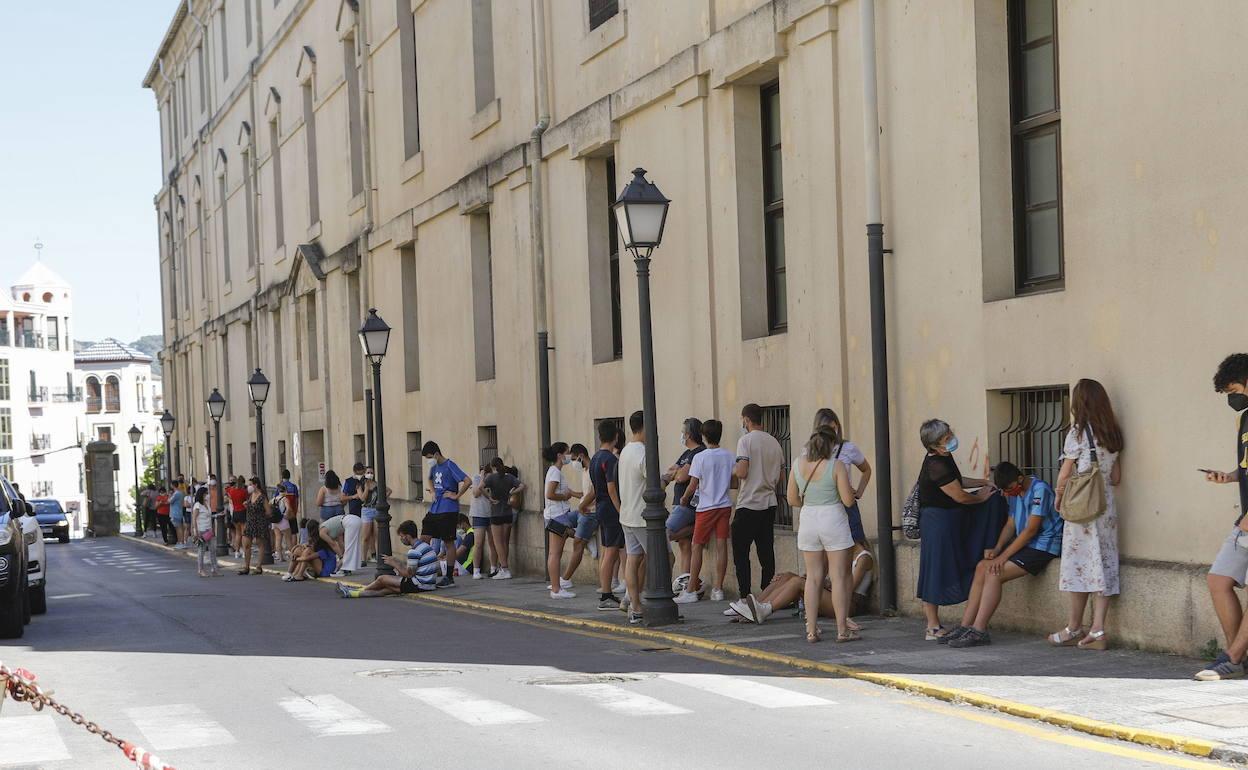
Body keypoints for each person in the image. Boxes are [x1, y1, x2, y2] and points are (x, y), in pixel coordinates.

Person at [941, 461, 1063, 648]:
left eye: (1009, 489)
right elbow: (1010, 524)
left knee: (994, 572)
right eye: (1004, 491)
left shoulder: (1040, 490)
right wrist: (997, 548)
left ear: (1020, 479)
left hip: (1044, 546)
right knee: (983, 566)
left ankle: (979, 630)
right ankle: (966, 626)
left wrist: (1002, 557)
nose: (1007, 494)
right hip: (1028, 544)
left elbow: (1031, 530)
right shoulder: (1013, 491)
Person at [1047, 379, 1124, 652]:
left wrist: (1058, 496)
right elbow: (1115, 477)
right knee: (1102, 566)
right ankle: (1098, 630)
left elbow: (1066, 473)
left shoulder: (1078, 433)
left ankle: (1073, 626)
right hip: (1106, 509)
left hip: (1082, 508)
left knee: (1078, 564)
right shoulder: (1113, 433)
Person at [915, 419, 1005, 640]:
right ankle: (932, 626)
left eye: (949, 434)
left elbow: (956, 480)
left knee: (937, 567)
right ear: (934, 446)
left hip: (947, 519)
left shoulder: (944, 457)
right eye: (946, 438)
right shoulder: (935, 464)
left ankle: (934, 625)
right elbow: (959, 495)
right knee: (935, 569)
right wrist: (981, 497)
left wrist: (982, 482)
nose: (951, 439)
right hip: (938, 522)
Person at [1200, 354, 1248, 680]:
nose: (1232, 398)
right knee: (1218, 580)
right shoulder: (1244, 419)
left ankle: (1231, 656)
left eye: (1234, 389)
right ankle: (1237, 656)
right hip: (1244, 519)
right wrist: (1229, 477)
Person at [789, 425, 859, 643]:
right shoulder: (835, 465)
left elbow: (792, 499)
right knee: (838, 577)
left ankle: (811, 630)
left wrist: (809, 502)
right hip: (833, 519)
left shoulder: (797, 465)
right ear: (831, 445)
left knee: (813, 577)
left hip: (808, 519)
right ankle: (841, 630)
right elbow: (848, 500)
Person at [675, 419, 734, 604]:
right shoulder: (729, 456)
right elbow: (734, 482)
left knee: (696, 546)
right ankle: (718, 589)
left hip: (706, 507)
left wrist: (684, 499)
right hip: (724, 505)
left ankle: (691, 589)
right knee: (721, 545)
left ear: (704, 436)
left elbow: (693, 484)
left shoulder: (700, 457)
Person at [732, 403, 786, 597]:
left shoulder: (745, 441)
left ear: (746, 420)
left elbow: (743, 471)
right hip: (769, 503)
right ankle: (767, 594)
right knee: (766, 553)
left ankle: (744, 596)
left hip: (748, 502)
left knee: (741, 553)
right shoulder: (774, 442)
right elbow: (780, 477)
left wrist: (735, 469)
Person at [809, 409, 873, 547]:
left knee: (857, 547)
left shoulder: (848, 448)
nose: (833, 432)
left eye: (835, 427)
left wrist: (859, 492)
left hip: (846, 505)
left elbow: (866, 469)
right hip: (824, 506)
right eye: (829, 428)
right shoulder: (810, 450)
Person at [579, 422, 626, 610]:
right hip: (611, 508)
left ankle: (606, 591)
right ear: (615, 437)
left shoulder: (596, 459)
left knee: (608, 550)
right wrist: (620, 510)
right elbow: (611, 488)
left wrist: (583, 504)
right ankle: (606, 594)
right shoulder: (610, 460)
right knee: (612, 551)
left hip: (601, 507)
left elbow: (593, 489)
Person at [337, 520, 438, 597]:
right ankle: (352, 593)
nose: (401, 539)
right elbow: (414, 570)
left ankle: (358, 590)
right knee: (388, 588)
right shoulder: (426, 546)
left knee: (382, 579)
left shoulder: (414, 551)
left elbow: (409, 574)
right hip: (429, 585)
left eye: (402, 536)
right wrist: (397, 562)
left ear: (407, 536)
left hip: (419, 584)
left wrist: (394, 564)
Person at [729, 572, 864, 628]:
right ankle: (753, 608)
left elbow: (847, 588)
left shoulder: (863, 557)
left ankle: (764, 610)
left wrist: (821, 582)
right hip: (830, 594)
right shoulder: (839, 552)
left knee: (797, 582)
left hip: (847, 604)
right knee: (787, 576)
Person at [664, 418, 705, 592]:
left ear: (688, 434)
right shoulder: (686, 454)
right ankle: (685, 581)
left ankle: (696, 527)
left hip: (687, 505)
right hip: (679, 503)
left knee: (665, 532)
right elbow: (671, 470)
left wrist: (677, 473)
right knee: (684, 545)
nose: (681, 434)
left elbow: (681, 477)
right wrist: (677, 472)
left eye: (683, 431)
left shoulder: (698, 452)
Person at [421, 441, 469, 587]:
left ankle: (449, 576)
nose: (428, 460)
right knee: (424, 538)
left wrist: (456, 495)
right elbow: (429, 479)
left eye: (429, 457)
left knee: (448, 542)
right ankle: (424, 570)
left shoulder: (449, 465)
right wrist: (434, 492)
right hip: (435, 508)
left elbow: (467, 480)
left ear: (436, 454)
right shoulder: (434, 467)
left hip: (448, 509)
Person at [617, 411, 649, 625]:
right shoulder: (643, 452)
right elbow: (654, 484)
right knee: (665, 558)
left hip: (627, 514)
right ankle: (646, 599)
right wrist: (669, 477)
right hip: (643, 516)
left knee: (633, 558)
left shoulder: (626, 451)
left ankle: (634, 603)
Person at [542, 442, 582, 598]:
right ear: (559, 455)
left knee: (555, 553)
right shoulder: (555, 473)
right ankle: (556, 589)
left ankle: (556, 587)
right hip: (557, 515)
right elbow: (550, 494)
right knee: (555, 554)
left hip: (559, 515)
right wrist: (564, 497)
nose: (568, 456)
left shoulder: (555, 471)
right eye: (566, 453)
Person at [561, 444, 598, 585]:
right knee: (557, 524)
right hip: (582, 510)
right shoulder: (584, 470)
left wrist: (582, 505)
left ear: (581, 456)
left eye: (575, 459)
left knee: (577, 544)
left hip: (590, 513)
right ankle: (586, 536)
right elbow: (585, 493)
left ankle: (566, 579)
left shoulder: (592, 470)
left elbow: (594, 492)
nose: (573, 463)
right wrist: (573, 494)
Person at [483, 458, 524, 580]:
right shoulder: (510, 478)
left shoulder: (491, 478)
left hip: (496, 513)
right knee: (505, 542)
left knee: (498, 543)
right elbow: (522, 486)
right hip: (507, 513)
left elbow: (480, 487)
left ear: (493, 467)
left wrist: (489, 498)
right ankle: (503, 567)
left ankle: (505, 569)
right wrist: (511, 493)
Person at [332, 463, 366, 577]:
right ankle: (349, 566)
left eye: (362, 472)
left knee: (360, 538)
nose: (361, 475)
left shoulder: (368, 481)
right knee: (352, 540)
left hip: (366, 510)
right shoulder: (348, 481)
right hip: (354, 511)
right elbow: (342, 498)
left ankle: (356, 562)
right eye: (358, 473)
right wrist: (353, 496)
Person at [238, 476, 271, 575]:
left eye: (251, 484)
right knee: (246, 544)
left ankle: (258, 566)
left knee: (260, 544)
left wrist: (260, 514)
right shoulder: (251, 495)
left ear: (256, 485)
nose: (249, 486)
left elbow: (268, 511)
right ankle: (246, 566)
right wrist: (246, 505)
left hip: (259, 522)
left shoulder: (262, 496)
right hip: (250, 521)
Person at [467, 466, 493, 579]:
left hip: (491, 513)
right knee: (478, 543)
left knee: (493, 543)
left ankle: (493, 568)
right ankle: (476, 570)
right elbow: (476, 493)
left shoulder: (493, 479)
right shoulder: (477, 478)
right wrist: (482, 477)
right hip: (479, 513)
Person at [191, 487, 220, 577]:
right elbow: (194, 519)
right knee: (201, 550)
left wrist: (217, 515)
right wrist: (196, 531)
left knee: (213, 550)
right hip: (201, 530)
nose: (207, 495)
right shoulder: (197, 505)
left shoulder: (207, 504)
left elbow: (209, 516)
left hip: (209, 530)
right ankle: (201, 570)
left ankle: (214, 570)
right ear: (202, 494)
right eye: (206, 493)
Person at [359, 467, 382, 568]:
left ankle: (378, 557)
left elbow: (388, 491)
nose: (370, 474)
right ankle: (363, 558)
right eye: (368, 472)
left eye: (371, 472)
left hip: (376, 509)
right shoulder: (360, 485)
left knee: (378, 535)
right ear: (364, 474)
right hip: (366, 510)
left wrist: (382, 501)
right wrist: (367, 487)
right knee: (366, 536)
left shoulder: (377, 484)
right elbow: (362, 498)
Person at [227, 476, 249, 557]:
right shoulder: (243, 491)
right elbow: (247, 501)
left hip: (235, 512)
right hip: (242, 512)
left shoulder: (232, 491)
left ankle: (237, 552)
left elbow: (229, 497)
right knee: (244, 533)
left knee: (237, 533)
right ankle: (244, 551)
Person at [168, 481, 187, 549]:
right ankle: (180, 542)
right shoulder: (181, 493)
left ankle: (181, 542)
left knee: (178, 528)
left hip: (175, 512)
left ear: (173, 485)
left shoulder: (176, 494)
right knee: (178, 528)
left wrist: (170, 496)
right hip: (178, 511)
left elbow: (170, 501)